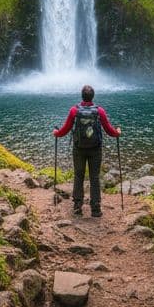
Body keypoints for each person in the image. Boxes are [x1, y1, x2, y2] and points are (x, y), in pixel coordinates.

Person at [53, 84, 121, 217]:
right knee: (95, 177)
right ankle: (95, 209)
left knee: (78, 176)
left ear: (82, 96)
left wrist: (56, 133)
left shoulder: (74, 111)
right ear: (93, 97)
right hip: (95, 149)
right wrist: (117, 132)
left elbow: (65, 130)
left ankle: (77, 207)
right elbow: (109, 130)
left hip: (79, 148)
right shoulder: (99, 111)